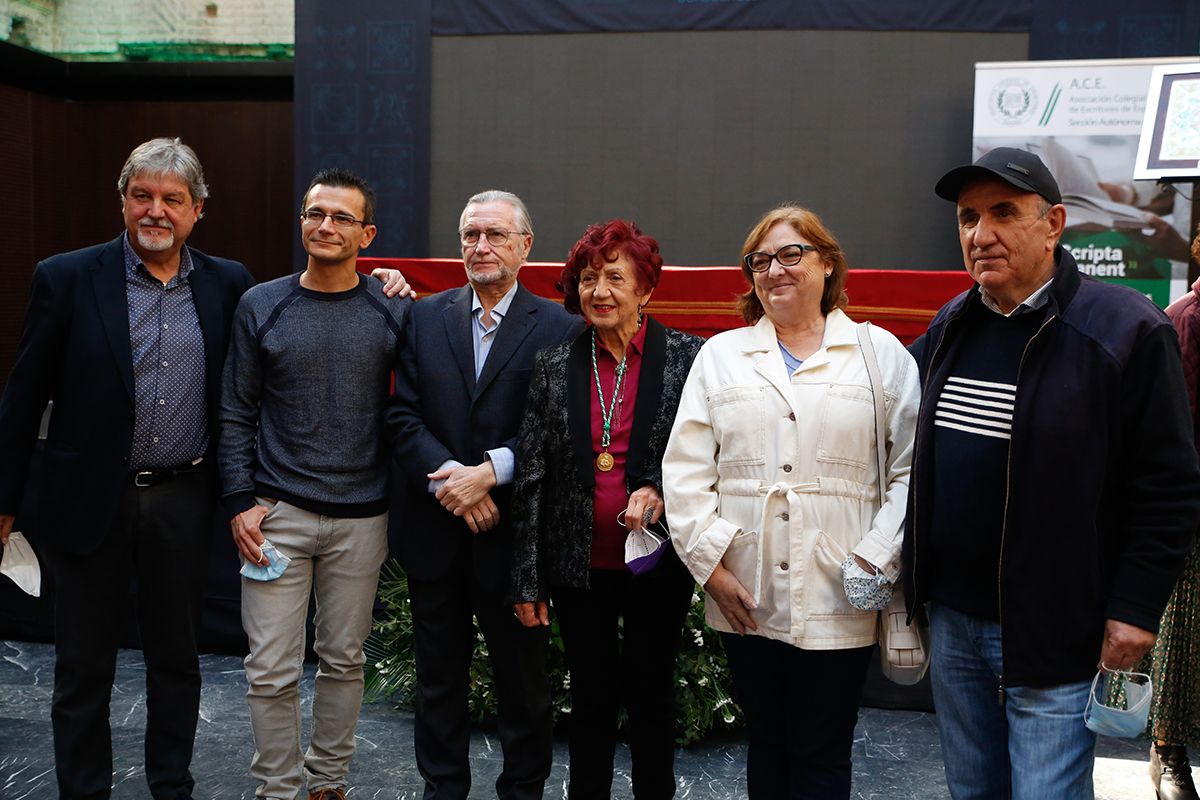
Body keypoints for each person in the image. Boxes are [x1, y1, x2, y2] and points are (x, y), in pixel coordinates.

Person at [902, 146, 1200, 799]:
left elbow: (1168, 486)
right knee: (973, 791)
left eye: (1003, 213)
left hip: (1058, 626)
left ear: (1055, 223)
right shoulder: (952, 325)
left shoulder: (1124, 331)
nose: (981, 235)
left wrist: (1135, 609)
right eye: (968, 217)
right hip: (953, 626)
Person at [0, 137, 252, 800]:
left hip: (184, 499)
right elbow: (22, 397)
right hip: (90, 502)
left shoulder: (229, 284)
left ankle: (172, 785)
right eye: (142, 195)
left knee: (178, 661)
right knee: (83, 668)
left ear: (198, 209)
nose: (155, 210)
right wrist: (3, 501)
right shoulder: (67, 277)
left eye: (172, 199)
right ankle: (84, 791)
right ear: (122, 201)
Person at [662, 205, 919, 798]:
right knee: (769, 744)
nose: (776, 269)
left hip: (842, 587)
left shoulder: (881, 356)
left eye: (792, 254)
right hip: (746, 591)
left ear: (828, 264)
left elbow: (913, 471)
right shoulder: (721, 356)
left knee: (823, 749)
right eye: (761, 260)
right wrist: (712, 570)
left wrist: (875, 556)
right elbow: (685, 472)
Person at [219, 168, 412, 800]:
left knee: (344, 661)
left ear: (368, 233)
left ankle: (328, 783)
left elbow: (414, 406)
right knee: (270, 669)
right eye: (314, 213)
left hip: (363, 519)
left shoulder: (393, 309)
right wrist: (239, 503)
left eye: (341, 218)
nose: (324, 226)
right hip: (276, 516)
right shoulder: (261, 304)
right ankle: (278, 789)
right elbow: (235, 411)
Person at [386, 189, 583, 799]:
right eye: (471, 235)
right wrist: (455, 478)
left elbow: (562, 430)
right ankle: (442, 789)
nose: (481, 247)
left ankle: (523, 791)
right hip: (437, 531)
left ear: (526, 246)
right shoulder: (423, 316)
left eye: (496, 235)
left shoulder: (561, 327)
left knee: (523, 683)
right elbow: (401, 417)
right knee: (437, 682)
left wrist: (490, 472)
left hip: (515, 541)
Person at [509, 220, 703, 798]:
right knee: (590, 698)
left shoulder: (687, 359)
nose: (599, 291)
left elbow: (712, 456)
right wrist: (527, 577)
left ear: (645, 289)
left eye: (616, 277)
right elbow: (532, 475)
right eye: (589, 279)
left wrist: (662, 489)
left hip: (657, 561)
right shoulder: (553, 364)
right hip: (578, 565)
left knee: (652, 694)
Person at [1147, 223, 1200, 800]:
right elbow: (1175, 427)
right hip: (1194, 510)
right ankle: (1169, 751)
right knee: (1182, 634)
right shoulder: (1186, 317)